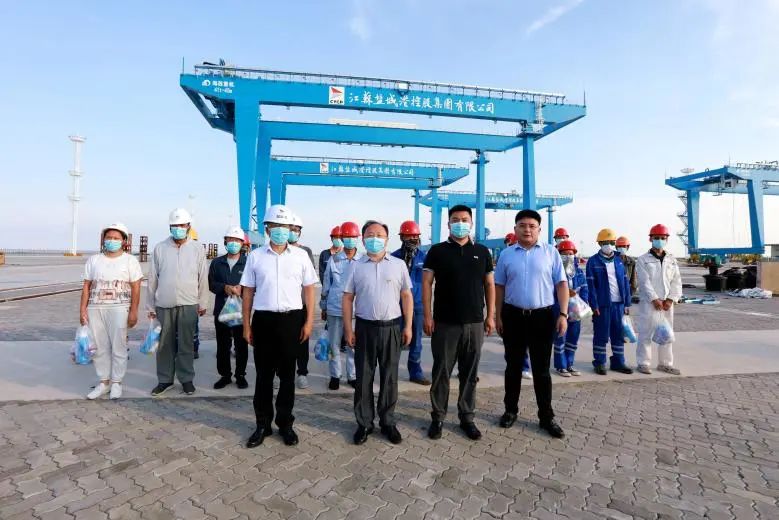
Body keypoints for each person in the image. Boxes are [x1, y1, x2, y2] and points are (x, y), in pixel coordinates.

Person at [240, 205, 317, 448]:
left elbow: (309, 290)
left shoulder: (301, 256)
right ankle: (262, 424)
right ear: (267, 229)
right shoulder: (255, 256)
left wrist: (309, 321)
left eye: (285, 227)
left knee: (287, 377)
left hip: (291, 321)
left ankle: (285, 424)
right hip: (263, 321)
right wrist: (246, 325)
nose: (281, 231)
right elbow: (248, 292)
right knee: (263, 376)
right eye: (276, 227)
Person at [422, 205, 494, 441]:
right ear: (448, 224)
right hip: (445, 323)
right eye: (455, 220)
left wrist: (490, 315)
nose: (460, 223)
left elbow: (489, 284)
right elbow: (426, 284)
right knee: (441, 371)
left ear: (471, 223)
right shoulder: (437, 251)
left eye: (464, 220)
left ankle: (467, 417)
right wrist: (428, 316)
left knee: (469, 372)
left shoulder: (482, 252)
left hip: (474, 322)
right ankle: (438, 417)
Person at [495, 209, 568, 439]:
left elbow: (562, 284)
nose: (527, 229)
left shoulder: (551, 253)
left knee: (541, 370)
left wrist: (563, 314)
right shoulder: (506, 255)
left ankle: (546, 416)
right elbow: (499, 287)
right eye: (522, 225)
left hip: (542, 318)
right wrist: (497, 315)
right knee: (513, 367)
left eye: (532, 226)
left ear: (539, 229)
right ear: (515, 229)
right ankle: (510, 411)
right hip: (513, 316)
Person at [343, 220, 413, 446]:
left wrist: (408, 326)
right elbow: (347, 298)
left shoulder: (398, 265)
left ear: (387, 239)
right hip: (365, 328)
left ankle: (388, 421)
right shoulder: (355, 266)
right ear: (363, 240)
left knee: (390, 377)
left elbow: (406, 296)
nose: (375, 238)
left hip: (391, 327)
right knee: (364, 377)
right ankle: (364, 423)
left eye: (379, 234)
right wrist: (348, 329)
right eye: (370, 234)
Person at [147, 208, 208, 397]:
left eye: (182, 225)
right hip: (164, 303)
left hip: (189, 303)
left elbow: (202, 277)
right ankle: (165, 380)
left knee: (186, 343)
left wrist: (203, 302)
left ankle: (186, 379)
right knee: (164, 344)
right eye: (174, 225)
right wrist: (150, 305)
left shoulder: (197, 248)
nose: (178, 228)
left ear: (189, 226)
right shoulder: (160, 248)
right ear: (170, 227)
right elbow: (152, 278)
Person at [80, 222, 143, 400]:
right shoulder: (94, 260)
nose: (112, 241)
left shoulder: (130, 261)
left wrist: (134, 311)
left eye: (116, 238)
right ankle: (104, 382)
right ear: (103, 239)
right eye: (109, 237)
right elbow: (86, 286)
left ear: (124, 241)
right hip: (95, 307)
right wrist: (82, 310)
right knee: (99, 347)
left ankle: (117, 382)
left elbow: (136, 288)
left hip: (120, 308)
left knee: (119, 346)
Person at [635, 224, 682, 375]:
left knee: (666, 334)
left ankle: (665, 364)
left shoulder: (672, 260)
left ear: (667, 239)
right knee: (645, 333)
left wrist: (671, 299)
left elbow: (676, 281)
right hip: (650, 304)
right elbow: (644, 282)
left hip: (667, 304)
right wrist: (654, 299)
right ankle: (643, 363)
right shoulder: (642, 260)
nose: (660, 240)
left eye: (663, 238)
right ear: (650, 239)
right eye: (657, 238)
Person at [586, 228, 633, 376]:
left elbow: (625, 283)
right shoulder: (593, 261)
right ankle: (600, 363)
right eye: (605, 242)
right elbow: (591, 285)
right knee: (601, 334)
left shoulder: (619, 261)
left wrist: (627, 303)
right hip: (603, 305)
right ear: (599, 243)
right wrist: (594, 305)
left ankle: (618, 362)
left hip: (619, 305)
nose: (608, 245)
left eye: (611, 242)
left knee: (618, 334)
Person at [320, 221, 361, 390]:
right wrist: (323, 306)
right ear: (342, 238)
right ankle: (335, 375)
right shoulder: (334, 259)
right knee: (334, 345)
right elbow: (326, 284)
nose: (350, 240)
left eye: (353, 237)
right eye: (347, 237)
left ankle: (353, 375)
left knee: (353, 345)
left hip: (356, 311)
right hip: (335, 309)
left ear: (358, 238)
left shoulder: (363, 260)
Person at [209, 226, 249, 390]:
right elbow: (211, 284)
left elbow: (256, 284)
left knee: (241, 344)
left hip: (241, 310)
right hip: (221, 310)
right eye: (230, 240)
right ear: (225, 241)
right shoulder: (217, 262)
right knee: (222, 345)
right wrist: (224, 287)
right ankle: (225, 375)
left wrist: (242, 288)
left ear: (242, 243)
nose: (233, 243)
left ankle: (240, 375)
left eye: (237, 240)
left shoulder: (248, 262)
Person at [391, 220, 430, 385]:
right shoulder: (393, 257)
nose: (413, 239)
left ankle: (415, 372)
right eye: (409, 236)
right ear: (402, 237)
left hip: (418, 305)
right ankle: (391, 372)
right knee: (395, 340)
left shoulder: (424, 257)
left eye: (415, 236)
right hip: (398, 305)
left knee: (417, 341)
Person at [553, 240, 588, 377]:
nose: (568, 256)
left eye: (570, 253)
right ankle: (561, 366)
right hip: (560, 308)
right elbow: (552, 290)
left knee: (573, 337)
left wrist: (583, 303)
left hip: (576, 308)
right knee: (561, 337)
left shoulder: (578, 271)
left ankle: (569, 364)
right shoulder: (555, 271)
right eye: (564, 254)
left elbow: (584, 288)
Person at [289, 213, 316, 390]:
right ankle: (281, 372)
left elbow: (310, 283)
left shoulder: (306, 252)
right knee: (283, 342)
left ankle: (302, 373)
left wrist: (310, 314)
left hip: (301, 304)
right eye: (291, 229)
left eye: (296, 230)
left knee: (302, 340)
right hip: (285, 305)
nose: (293, 232)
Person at [617, 236, 639, 302]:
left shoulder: (631, 261)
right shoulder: (612, 260)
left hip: (626, 291)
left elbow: (633, 279)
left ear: (628, 247)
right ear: (616, 247)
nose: (622, 248)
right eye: (619, 246)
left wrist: (632, 291)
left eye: (624, 246)